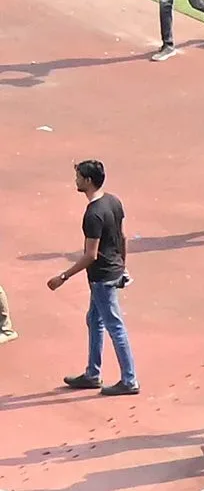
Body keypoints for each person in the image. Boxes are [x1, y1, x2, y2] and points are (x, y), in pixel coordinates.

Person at [54, 157, 134, 397]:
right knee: (94, 320)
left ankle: (129, 379)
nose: (76, 180)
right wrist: (123, 265)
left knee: (114, 326)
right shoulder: (113, 201)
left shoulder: (93, 214)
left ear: (88, 181)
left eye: (78, 177)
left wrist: (63, 276)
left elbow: (91, 254)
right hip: (112, 270)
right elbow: (122, 237)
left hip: (102, 277)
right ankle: (92, 373)